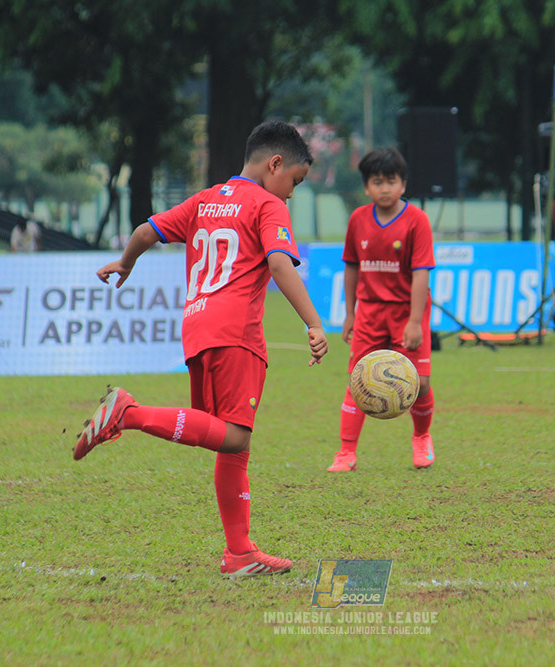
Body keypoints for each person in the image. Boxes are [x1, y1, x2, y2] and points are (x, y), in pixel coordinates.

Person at [74, 121, 328, 577]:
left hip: (196, 327)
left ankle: (239, 553)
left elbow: (146, 231)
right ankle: (128, 413)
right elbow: (278, 263)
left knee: (227, 442)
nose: (292, 193)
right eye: (295, 180)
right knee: (236, 436)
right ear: (275, 164)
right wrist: (313, 322)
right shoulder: (268, 205)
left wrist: (125, 264)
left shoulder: (204, 199)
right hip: (237, 332)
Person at [328, 147, 436, 473]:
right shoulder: (358, 219)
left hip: (407, 311)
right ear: (366, 187)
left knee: (421, 383)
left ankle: (422, 437)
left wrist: (415, 322)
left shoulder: (417, 220)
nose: (385, 188)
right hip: (370, 312)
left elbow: (421, 274)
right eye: (377, 182)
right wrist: (350, 313)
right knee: (358, 379)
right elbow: (351, 267)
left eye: (391, 181)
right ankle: (346, 452)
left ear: (403, 184)